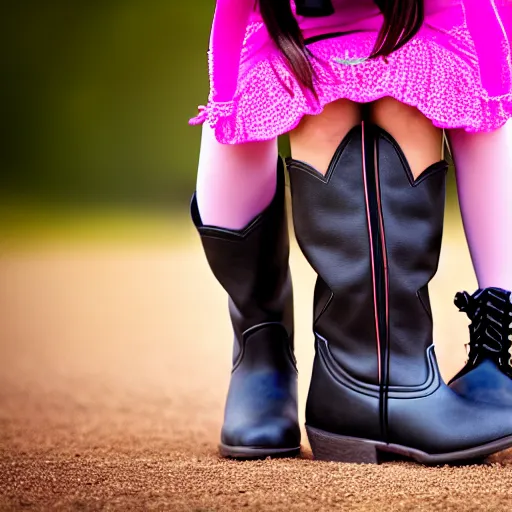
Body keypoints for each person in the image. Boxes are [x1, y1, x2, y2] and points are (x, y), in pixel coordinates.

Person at [189, 0, 512, 463]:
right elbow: (230, 48)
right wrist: (229, 105)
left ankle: (382, 385)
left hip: (419, 23)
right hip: (291, 27)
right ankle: (262, 349)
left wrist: (496, 334)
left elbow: (491, 84)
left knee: (425, 96)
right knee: (263, 101)